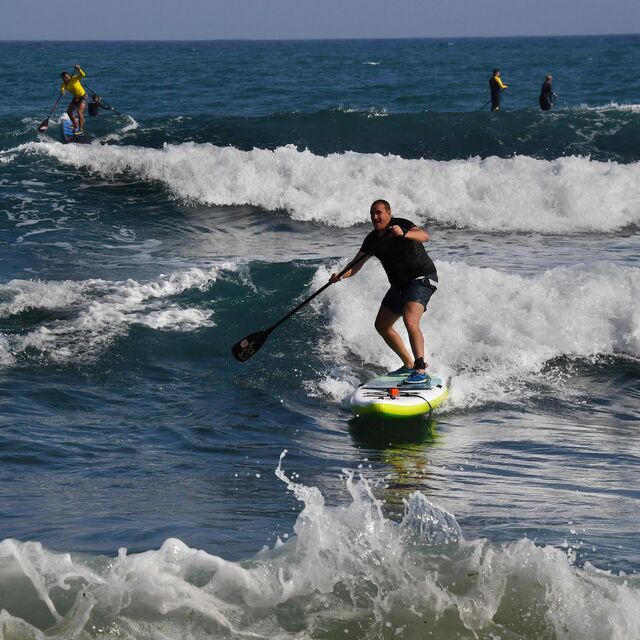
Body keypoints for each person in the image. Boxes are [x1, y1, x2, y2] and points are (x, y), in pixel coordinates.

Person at [329, 199, 438, 385]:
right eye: (372, 213)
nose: (375, 216)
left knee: (410, 319)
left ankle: (420, 369)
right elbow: (355, 266)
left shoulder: (401, 224)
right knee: (382, 325)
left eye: (379, 212)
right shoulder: (372, 239)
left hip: (421, 279)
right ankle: (408, 365)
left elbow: (424, 236)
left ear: (389, 213)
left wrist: (404, 234)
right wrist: (340, 275)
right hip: (399, 286)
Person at [60, 65, 87, 132]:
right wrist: (63, 91)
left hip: (83, 96)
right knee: (69, 112)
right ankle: (75, 124)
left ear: (69, 76)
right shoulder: (64, 84)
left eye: (66, 77)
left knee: (79, 111)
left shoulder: (74, 78)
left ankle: (81, 129)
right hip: (76, 98)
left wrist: (79, 69)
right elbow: (62, 88)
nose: (65, 79)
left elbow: (83, 75)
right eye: (64, 78)